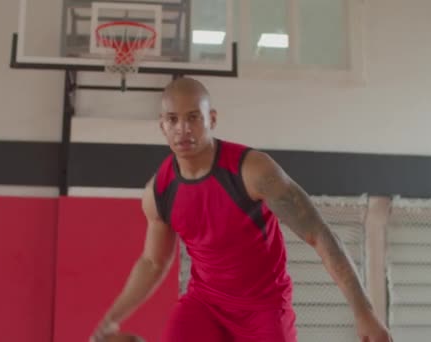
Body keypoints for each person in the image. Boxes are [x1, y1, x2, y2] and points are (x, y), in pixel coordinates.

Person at [90, 77, 392, 342]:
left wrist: (363, 311)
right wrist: (112, 317)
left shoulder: (253, 171)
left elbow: (319, 235)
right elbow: (153, 262)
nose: (182, 128)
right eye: (172, 119)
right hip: (205, 305)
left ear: (212, 119)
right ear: (162, 125)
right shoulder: (159, 192)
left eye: (193, 117)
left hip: (264, 308)